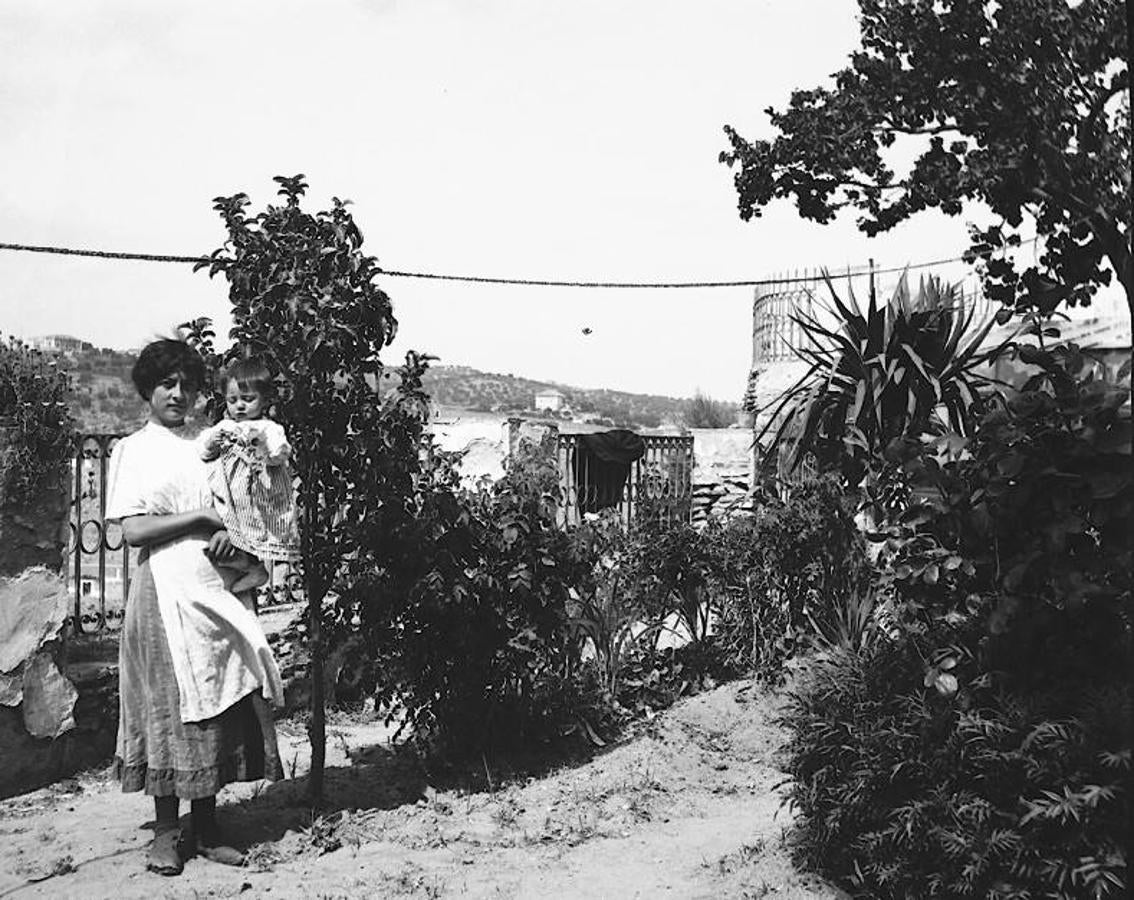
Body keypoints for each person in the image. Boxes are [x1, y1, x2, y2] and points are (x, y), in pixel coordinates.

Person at [104, 339, 284, 876]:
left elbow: (246, 507)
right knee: (167, 707)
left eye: (186, 384)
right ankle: (165, 833)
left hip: (215, 590)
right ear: (147, 391)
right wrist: (201, 519)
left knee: (215, 705)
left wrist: (233, 538)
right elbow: (134, 529)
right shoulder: (134, 450)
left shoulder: (211, 444)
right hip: (161, 591)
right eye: (167, 385)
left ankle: (206, 829)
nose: (178, 395)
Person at [195, 357, 301, 596]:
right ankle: (250, 567)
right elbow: (202, 449)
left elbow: (279, 454)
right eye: (233, 400)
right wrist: (211, 443)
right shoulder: (224, 426)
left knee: (253, 528)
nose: (239, 406)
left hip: (257, 492)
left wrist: (265, 448)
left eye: (248, 399)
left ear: (264, 400)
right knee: (231, 530)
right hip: (229, 491)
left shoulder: (269, 428)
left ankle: (256, 568)